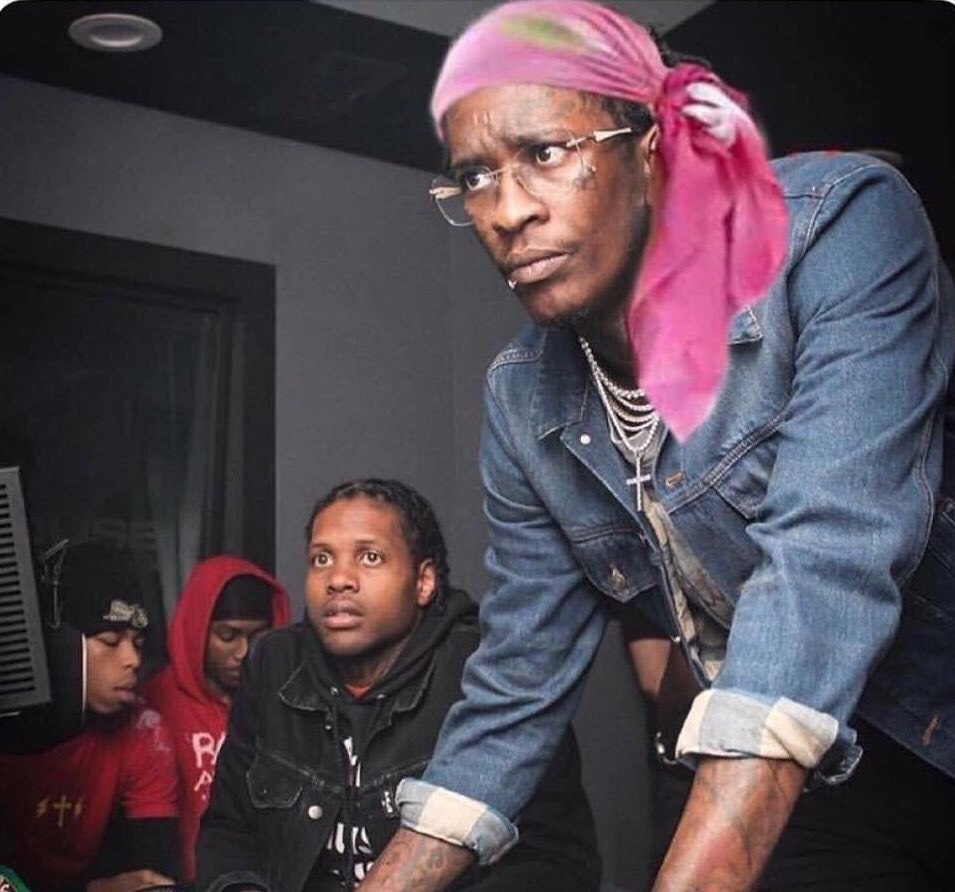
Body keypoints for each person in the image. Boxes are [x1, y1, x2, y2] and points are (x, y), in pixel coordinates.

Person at [356, 1, 955, 890]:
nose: (505, 212)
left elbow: (827, 558)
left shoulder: (836, 226)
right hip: (813, 770)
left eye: (544, 154)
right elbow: (517, 684)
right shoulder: (523, 397)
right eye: (474, 177)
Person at [196, 478, 600, 892]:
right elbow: (229, 830)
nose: (338, 579)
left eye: (369, 557)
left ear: (423, 582)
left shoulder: (489, 677)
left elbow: (557, 862)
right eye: (321, 559)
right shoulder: (274, 664)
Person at [0, 542, 181, 891]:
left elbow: (153, 875)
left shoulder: (145, 733)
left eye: (139, 644)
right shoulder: (8, 731)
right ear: (60, 646)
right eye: (111, 641)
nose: (133, 660)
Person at [144, 556, 291, 885]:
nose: (243, 651)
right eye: (228, 636)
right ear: (198, 631)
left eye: (257, 637)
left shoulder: (285, 705)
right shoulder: (153, 706)